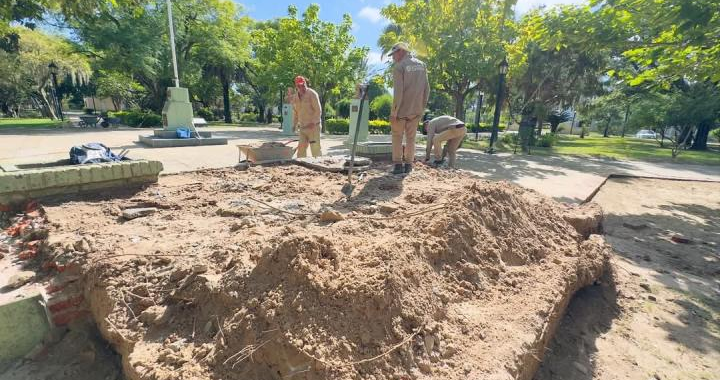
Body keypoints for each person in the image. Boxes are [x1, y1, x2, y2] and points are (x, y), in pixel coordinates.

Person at [388, 42, 430, 174]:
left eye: (393, 54)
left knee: (397, 137)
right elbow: (427, 89)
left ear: (400, 51)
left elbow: (398, 93)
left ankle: (398, 165)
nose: (393, 58)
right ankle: (409, 166)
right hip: (416, 110)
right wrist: (422, 108)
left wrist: (394, 112)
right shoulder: (422, 65)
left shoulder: (399, 67)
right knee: (411, 139)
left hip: (401, 111)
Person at [291, 76, 322, 158]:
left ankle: (318, 165)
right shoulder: (295, 98)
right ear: (296, 86)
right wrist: (294, 125)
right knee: (301, 149)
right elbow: (295, 113)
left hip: (313, 128)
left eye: (303, 85)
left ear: (305, 83)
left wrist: (314, 122)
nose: (302, 87)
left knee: (315, 149)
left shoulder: (312, 94)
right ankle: (301, 166)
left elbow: (318, 110)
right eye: (299, 86)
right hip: (303, 128)